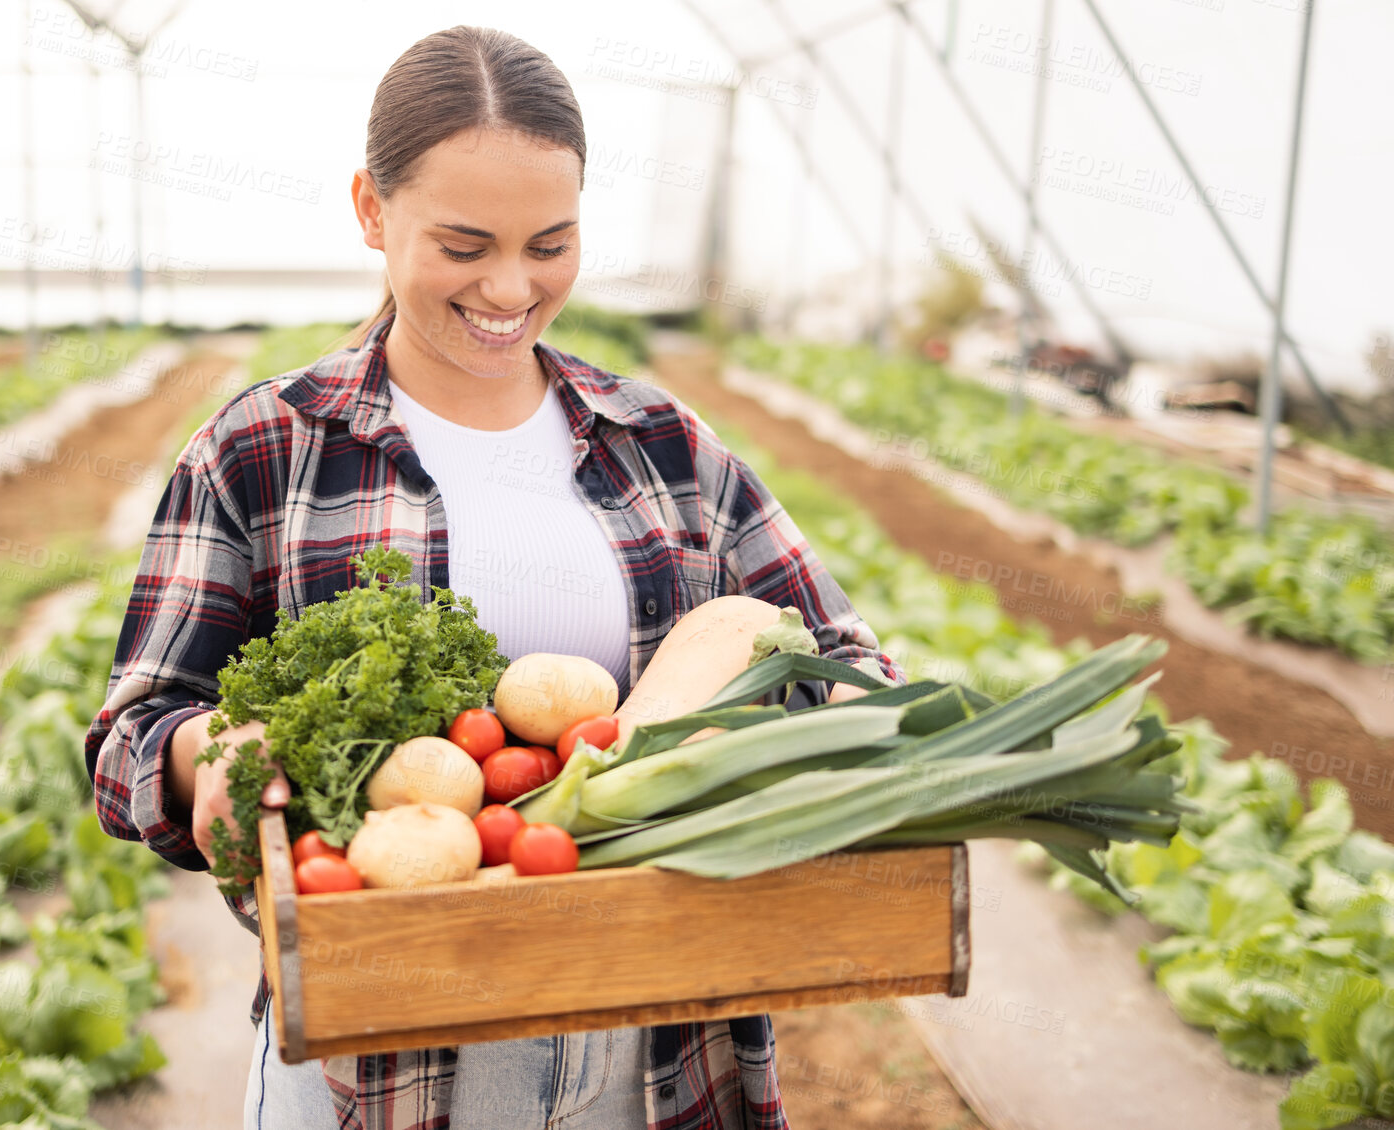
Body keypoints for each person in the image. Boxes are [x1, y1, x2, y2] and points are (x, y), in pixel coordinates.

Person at [83, 24, 902, 1130]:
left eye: (550, 243)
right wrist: (202, 754)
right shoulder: (262, 447)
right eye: (463, 245)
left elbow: (847, 659)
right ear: (372, 210)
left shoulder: (662, 443)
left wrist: (786, 734)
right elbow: (131, 731)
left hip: (652, 1041)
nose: (511, 286)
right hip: (376, 1047)